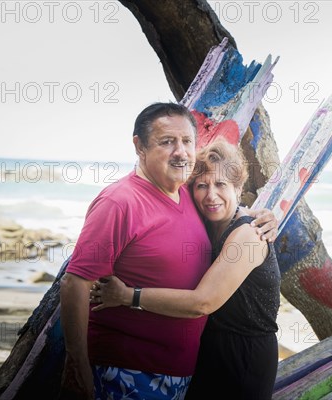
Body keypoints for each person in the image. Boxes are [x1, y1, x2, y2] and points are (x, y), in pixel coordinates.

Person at [59, 102, 278, 400]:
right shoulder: (122, 202)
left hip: (210, 366)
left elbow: (203, 300)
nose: (180, 151)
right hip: (128, 369)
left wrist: (264, 217)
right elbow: (75, 282)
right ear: (140, 146)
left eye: (187, 141)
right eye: (167, 141)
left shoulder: (205, 206)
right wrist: (76, 363)